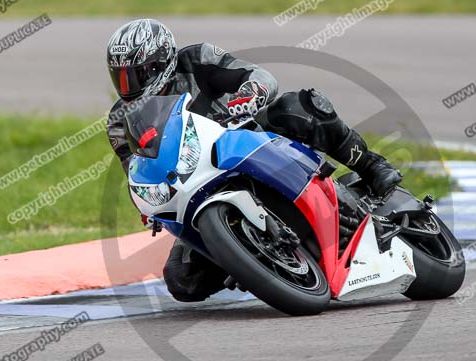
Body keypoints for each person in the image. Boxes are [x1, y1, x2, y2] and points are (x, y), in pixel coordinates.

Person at [105, 18, 402, 302]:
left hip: (247, 141)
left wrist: (251, 92)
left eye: (136, 74)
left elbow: (258, 76)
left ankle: (372, 166)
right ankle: (253, 260)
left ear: (162, 63)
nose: (128, 84)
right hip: (194, 185)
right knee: (182, 280)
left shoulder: (196, 60)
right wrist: (148, 204)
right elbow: (135, 169)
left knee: (297, 107)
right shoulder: (121, 121)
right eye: (120, 76)